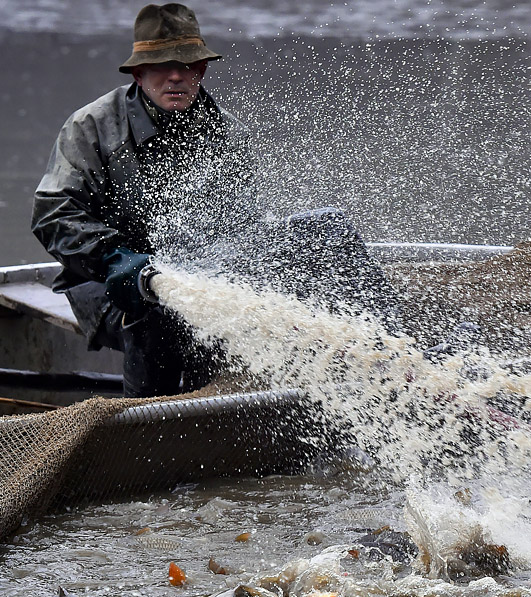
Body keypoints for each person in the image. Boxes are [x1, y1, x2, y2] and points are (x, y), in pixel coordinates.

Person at [32, 3, 400, 398]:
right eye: (163, 66)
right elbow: (53, 214)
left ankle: (396, 355)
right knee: (159, 313)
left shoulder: (226, 131)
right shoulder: (92, 126)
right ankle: (150, 424)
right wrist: (113, 256)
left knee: (328, 229)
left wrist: (258, 276)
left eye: (187, 65)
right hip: (106, 281)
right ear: (139, 73)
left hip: (198, 271)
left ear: (202, 70)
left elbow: (242, 228)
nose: (176, 76)